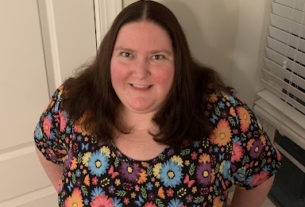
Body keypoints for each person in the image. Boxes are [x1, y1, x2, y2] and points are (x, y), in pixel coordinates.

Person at [34, 0, 281, 206]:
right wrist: (68, 193)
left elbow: (262, 170)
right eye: (126, 54)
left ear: (178, 62)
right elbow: (44, 147)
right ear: (109, 56)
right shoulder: (73, 102)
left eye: (157, 56)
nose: (140, 72)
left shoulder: (221, 113)